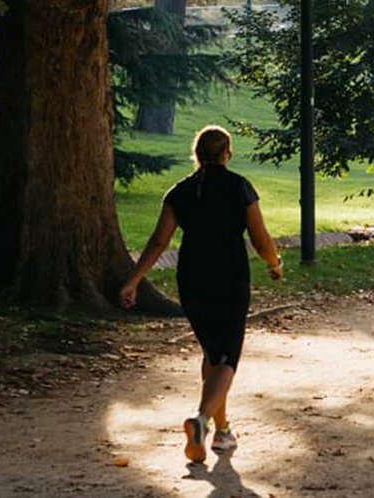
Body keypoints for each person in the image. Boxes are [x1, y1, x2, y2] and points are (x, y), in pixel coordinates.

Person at [120, 125, 284, 463]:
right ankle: (201, 421)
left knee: (212, 352)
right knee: (228, 357)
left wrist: (134, 280)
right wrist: (274, 263)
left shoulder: (179, 192)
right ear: (227, 153)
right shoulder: (240, 187)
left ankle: (222, 431)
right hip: (230, 277)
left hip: (192, 278)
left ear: (196, 155)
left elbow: (158, 241)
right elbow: (260, 238)